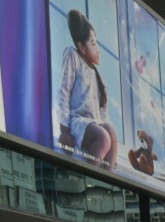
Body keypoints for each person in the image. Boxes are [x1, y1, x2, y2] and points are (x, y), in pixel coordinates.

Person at [56, 10, 118, 169]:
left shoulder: (99, 78)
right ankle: (86, 175)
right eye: (93, 44)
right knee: (103, 138)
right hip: (78, 121)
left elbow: (104, 115)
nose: (98, 49)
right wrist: (64, 130)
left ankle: (107, 180)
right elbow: (63, 91)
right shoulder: (72, 55)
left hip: (95, 123)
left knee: (111, 132)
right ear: (82, 47)